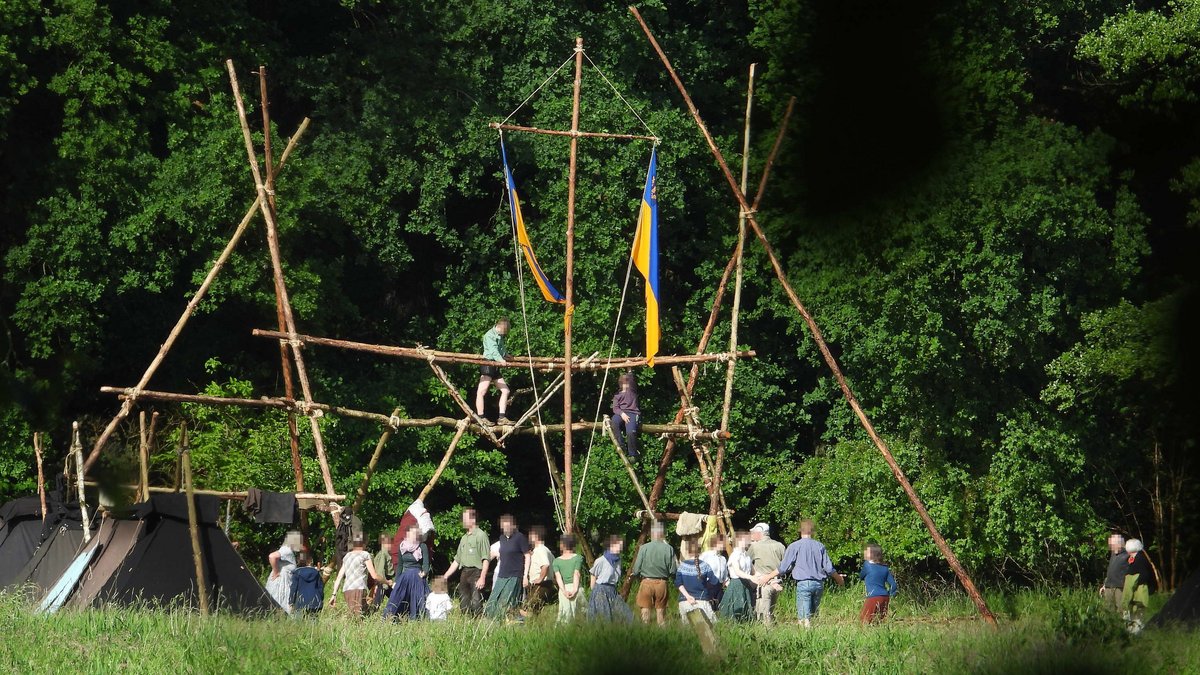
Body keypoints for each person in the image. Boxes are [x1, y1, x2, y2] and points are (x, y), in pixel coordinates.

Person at [773, 519, 845, 627]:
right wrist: (838, 578)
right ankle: (815, 639)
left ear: (800, 531)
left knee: (804, 618)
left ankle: (805, 640)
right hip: (818, 584)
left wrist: (767, 577)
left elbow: (783, 568)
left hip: (803, 583)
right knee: (814, 615)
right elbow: (829, 568)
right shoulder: (820, 546)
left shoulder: (794, 546)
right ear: (812, 532)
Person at [441, 508, 491, 617]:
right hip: (464, 572)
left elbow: (486, 559)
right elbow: (457, 560)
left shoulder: (481, 535)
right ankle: (466, 623)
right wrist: (445, 576)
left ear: (472, 519)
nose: (463, 521)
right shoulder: (463, 538)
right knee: (464, 602)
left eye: (465, 519)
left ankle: (478, 624)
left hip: (476, 572)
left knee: (476, 602)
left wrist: (482, 577)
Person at [485, 514, 530, 620]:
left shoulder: (519, 537)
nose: (505, 528)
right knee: (492, 602)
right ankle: (497, 622)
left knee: (507, 602)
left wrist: (525, 576)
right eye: (503, 526)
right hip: (502, 575)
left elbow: (527, 556)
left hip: (515, 575)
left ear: (513, 525)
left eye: (507, 525)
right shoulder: (502, 539)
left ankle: (518, 622)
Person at [631, 522, 677, 625]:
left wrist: (637, 577)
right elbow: (673, 570)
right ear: (662, 534)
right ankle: (662, 633)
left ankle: (645, 635)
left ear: (651, 533)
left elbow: (636, 569)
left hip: (646, 582)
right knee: (661, 614)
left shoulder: (644, 548)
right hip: (662, 583)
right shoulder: (669, 548)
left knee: (645, 612)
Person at [384, 524, 431, 620]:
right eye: (412, 533)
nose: (414, 535)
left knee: (419, 599)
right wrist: (396, 581)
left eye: (416, 533)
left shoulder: (422, 546)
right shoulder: (402, 546)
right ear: (408, 534)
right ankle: (392, 618)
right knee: (397, 597)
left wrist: (424, 572)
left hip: (417, 576)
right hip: (405, 576)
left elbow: (426, 563)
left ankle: (417, 619)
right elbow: (400, 565)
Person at [329, 537, 382, 616]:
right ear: (364, 544)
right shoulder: (365, 554)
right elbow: (374, 575)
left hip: (347, 589)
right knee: (358, 617)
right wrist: (386, 581)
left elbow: (339, 576)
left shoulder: (347, 556)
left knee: (358, 614)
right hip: (359, 588)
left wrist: (334, 594)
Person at [589, 535, 634, 622]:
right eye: (618, 545)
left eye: (621, 546)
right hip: (601, 590)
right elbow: (593, 574)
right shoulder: (601, 560)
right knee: (605, 617)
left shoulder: (619, 560)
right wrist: (594, 592)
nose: (619, 548)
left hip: (612, 590)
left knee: (627, 615)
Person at [747, 522, 786, 625]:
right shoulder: (780, 546)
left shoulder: (755, 547)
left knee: (763, 615)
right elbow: (786, 566)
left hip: (763, 585)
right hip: (777, 582)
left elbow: (746, 563)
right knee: (771, 612)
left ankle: (766, 635)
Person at [476, 317, 512, 425]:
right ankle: (481, 417)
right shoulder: (489, 335)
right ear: (500, 327)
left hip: (495, 365)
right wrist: (502, 361)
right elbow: (493, 351)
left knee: (505, 391)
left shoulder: (500, 336)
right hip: (488, 363)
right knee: (482, 391)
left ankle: (502, 417)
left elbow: (501, 349)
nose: (505, 334)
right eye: (504, 331)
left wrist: (506, 355)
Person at [676, 540, 721, 624]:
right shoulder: (705, 565)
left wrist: (688, 596)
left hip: (684, 601)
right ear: (700, 551)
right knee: (711, 626)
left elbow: (678, 583)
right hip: (702, 601)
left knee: (688, 630)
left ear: (687, 551)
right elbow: (715, 582)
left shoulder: (682, 565)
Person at [719, 531, 757, 622]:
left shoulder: (746, 556)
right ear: (740, 541)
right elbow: (738, 571)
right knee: (735, 612)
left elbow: (754, 571)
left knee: (746, 612)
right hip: (737, 584)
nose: (749, 541)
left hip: (746, 585)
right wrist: (751, 577)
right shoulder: (735, 555)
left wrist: (766, 578)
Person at [521, 526, 556, 619]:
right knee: (535, 611)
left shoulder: (540, 549)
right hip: (545, 584)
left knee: (527, 609)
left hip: (541, 585)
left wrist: (540, 578)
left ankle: (526, 627)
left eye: (530, 535)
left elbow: (545, 565)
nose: (529, 537)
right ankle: (535, 627)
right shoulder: (546, 550)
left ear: (535, 536)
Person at [1123, 538, 1157, 633]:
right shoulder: (1132, 558)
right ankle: (1132, 632)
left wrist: (1133, 582)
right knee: (1133, 613)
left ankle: (1137, 633)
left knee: (1138, 614)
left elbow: (1146, 575)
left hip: (1140, 590)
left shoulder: (1141, 559)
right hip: (1134, 590)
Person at [859, 543, 898, 625]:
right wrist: (891, 595)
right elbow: (893, 585)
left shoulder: (867, 565)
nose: (865, 552)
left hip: (873, 596)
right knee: (880, 621)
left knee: (864, 620)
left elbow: (861, 576)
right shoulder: (885, 568)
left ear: (873, 554)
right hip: (885, 597)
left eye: (867, 551)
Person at [552, 534, 586, 624]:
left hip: (564, 588)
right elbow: (576, 573)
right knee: (581, 615)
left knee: (565, 615)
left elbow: (558, 577)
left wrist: (563, 591)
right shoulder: (578, 558)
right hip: (576, 587)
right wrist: (575, 590)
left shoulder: (556, 561)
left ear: (562, 545)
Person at [609, 372, 641, 460]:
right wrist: (622, 414)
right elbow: (615, 408)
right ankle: (621, 445)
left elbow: (631, 379)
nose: (625, 384)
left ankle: (633, 453)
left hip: (632, 413)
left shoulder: (632, 390)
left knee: (630, 431)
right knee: (614, 421)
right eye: (623, 382)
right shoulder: (617, 395)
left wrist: (629, 370)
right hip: (621, 413)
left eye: (626, 382)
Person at [289, 550, 324, 618]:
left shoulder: (296, 573)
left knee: (300, 625)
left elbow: (293, 589)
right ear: (309, 561)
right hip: (315, 602)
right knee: (313, 625)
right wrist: (321, 599)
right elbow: (320, 588)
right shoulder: (316, 573)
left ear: (298, 561)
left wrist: (291, 602)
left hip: (300, 603)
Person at [1099, 533, 1128, 613]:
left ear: (1119, 543)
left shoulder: (1127, 555)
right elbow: (1110, 571)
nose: (1111, 546)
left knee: (1121, 610)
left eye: (1112, 544)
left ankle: (1121, 625)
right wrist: (1104, 585)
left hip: (1120, 588)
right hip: (1109, 587)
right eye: (1110, 544)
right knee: (1108, 611)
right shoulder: (1113, 554)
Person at [699, 534, 729, 610]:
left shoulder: (723, 559)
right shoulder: (705, 556)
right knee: (709, 608)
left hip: (719, 586)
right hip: (708, 585)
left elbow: (725, 576)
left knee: (719, 608)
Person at [264, 544, 296, 614]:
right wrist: (276, 572)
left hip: (284, 580)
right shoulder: (287, 550)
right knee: (279, 601)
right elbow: (272, 556)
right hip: (281, 581)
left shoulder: (288, 551)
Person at [370, 533, 396, 613]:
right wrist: (385, 584)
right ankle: (369, 616)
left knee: (395, 598)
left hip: (385, 581)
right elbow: (380, 571)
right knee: (376, 603)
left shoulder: (385, 554)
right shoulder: (383, 554)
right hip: (383, 582)